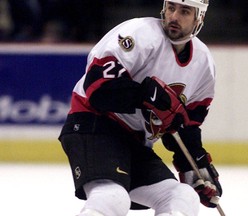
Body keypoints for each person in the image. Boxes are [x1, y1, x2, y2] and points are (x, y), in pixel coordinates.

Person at [59, 0, 222, 215]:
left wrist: (198, 171)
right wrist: (146, 95)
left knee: (183, 196)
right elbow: (97, 87)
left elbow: (184, 128)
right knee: (113, 197)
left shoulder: (203, 65)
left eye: (184, 11)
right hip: (94, 123)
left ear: (199, 18)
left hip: (136, 142)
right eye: (171, 8)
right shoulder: (140, 33)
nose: (174, 16)